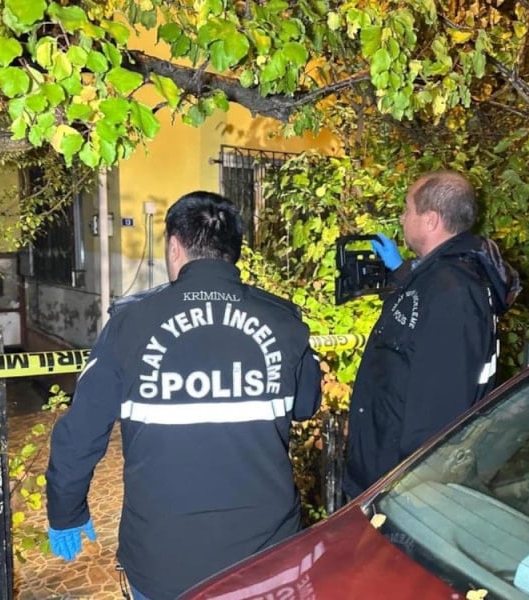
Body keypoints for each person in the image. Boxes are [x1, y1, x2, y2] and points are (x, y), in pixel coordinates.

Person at [45, 191, 322, 600]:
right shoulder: (283, 320)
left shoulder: (129, 324)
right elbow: (306, 404)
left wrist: (65, 512)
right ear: (234, 251)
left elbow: (80, 434)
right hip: (267, 559)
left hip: (164, 564)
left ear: (175, 247)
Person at [343, 170, 521, 499]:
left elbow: (438, 410)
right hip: (381, 470)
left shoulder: (452, 293)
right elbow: (418, 329)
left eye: (408, 209)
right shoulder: (440, 277)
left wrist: (405, 493)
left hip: (399, 486)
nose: (402, 217)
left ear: (431, 220)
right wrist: (400, 271)